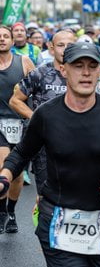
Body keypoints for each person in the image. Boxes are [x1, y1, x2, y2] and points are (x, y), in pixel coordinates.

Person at [0, 42, 100, 266]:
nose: (85, 73)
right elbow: (21, 153)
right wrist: (5, 177)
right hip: (57, 216)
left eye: (92, 66)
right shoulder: (46, 115)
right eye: (78, 66)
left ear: (99, 71)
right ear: (63, 70)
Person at [9, 30, 76, 192]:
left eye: (70, 45)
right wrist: (37, 117)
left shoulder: (83, 73)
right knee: (46, 194)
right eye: (61, 45)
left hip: (77, 142)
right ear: (51, 48)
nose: (65, 49)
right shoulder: (40, 73)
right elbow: (15, 100)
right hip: (46, 145)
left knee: (74, 193)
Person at [0, 25, 36, 233]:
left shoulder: (24, 62)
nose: (2, 39)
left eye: (6, 36)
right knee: (3, 165)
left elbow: (37, 90)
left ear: (13, 41)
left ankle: (10, 211)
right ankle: (2, 211)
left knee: (17, 174)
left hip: (20, 122)